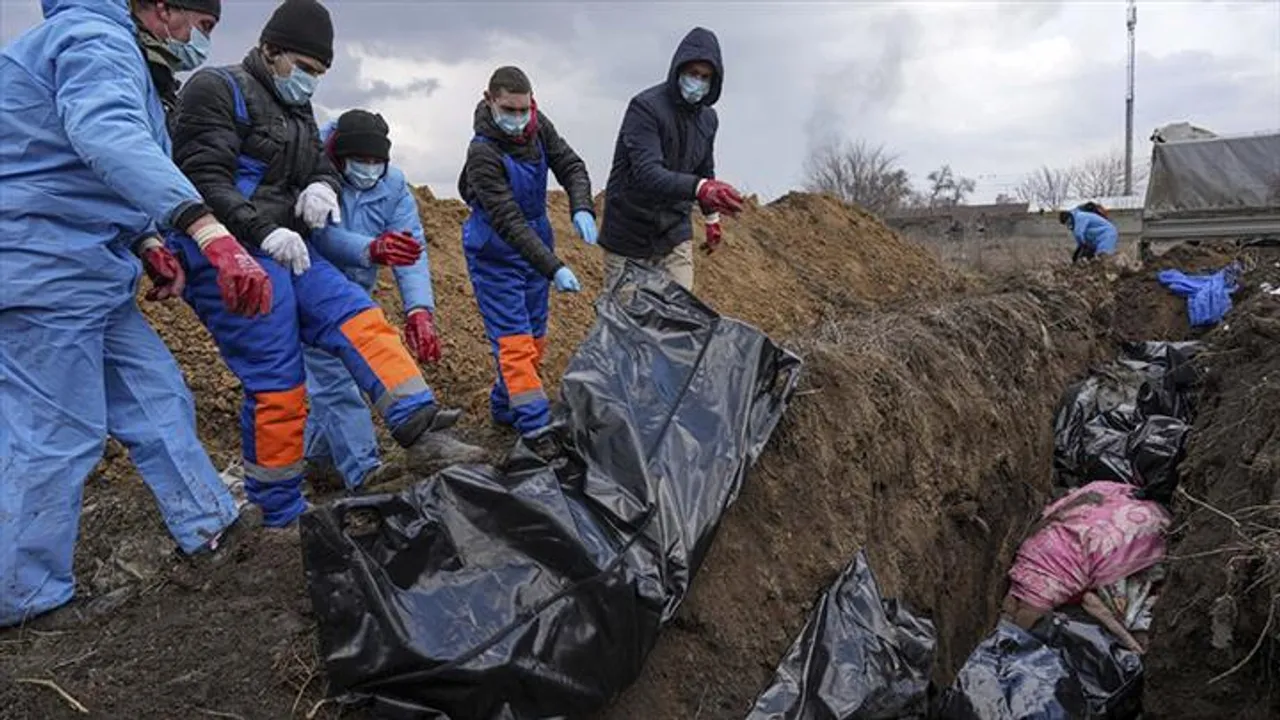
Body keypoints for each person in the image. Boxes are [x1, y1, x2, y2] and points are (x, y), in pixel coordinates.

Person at [166, 0, 485, 528]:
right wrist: (262, 231)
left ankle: (422, 430)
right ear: (270, 51)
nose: (310, 82)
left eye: (320, 73)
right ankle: (279, 512)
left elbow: (319, 165)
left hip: (289, 249)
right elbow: (202, 178)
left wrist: (320, 184)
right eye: (306, 68)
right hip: (229, 253)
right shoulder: (216, 89)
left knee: (359, 317)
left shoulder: (297, 113)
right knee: (279, 383)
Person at [0, 0, 261, 628]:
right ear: (161, 8)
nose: (201, 42)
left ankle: (210, 526)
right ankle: (25, 600)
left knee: (157, 395)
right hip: (40, 266)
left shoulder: (114, 50)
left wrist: (146, 241)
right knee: (55, 436)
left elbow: (78, 163)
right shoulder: (96, 40)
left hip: (87, 268)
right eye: (203, 27)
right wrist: (203, 227)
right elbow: (106, 136)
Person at [458, 66, 596, 456]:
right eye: (509, 110)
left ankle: (504, 408)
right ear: (490, 100)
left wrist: (581, 206)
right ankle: (537, 432)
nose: (518, 119)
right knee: (515, 345)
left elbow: (572, 165)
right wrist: (553, 266)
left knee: (535, 340)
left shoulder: (538, 127)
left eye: (524, 109)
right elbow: (508, 221)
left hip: (536, 242)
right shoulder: (482, 152)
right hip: (496, 253)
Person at [306, 109, 440, 491]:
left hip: (355, 294)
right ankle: (364, 473)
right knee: (334, 381)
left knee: (337, 376)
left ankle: (318, 460)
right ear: (338, 155)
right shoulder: (315, 175)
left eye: (376, 162)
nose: (368, 169)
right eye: (359, 161)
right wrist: (370, 249)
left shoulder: (393, 186)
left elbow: (410, 248)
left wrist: (419, 310)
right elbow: (318, 235)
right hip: (314, 289)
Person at [598, 26, 746, 292]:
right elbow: (648, 173)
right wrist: (700, 187)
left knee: (679, 316)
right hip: (630, 231)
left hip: (674, 230)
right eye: (692, 74)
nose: (697, 81)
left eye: (705, 77)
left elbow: (704, 168)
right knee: (626, 323)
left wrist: (711, 218)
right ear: (678, 70)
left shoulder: (708, 119)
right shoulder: (645, 109)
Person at [1000, 481, 1170, 654]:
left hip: (1051, 551)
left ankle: (1008, 639)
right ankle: (1008, 642)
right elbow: (1090, 601)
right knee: (1025, 609)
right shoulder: (1046, 587)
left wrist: (1129, 641)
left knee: (1023, 607)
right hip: (1057, 558)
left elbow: (1090, 601)